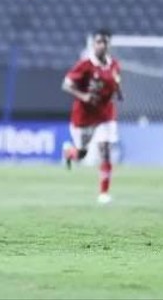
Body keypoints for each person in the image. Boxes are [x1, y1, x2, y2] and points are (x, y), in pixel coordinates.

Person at [61, 29, 123, 204]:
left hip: (105, 115)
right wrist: (83, 96)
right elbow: (66, 85)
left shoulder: (114, 65)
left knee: (105, 150)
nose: (101, 45)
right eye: (98, 42)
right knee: (81, 154)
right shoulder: (85, 65)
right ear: (93, 44)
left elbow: (116, 82)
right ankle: (69, 152)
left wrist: (118, 92)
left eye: (104, 42)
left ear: (109, 45)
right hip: (83, 117)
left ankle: (104, 193)